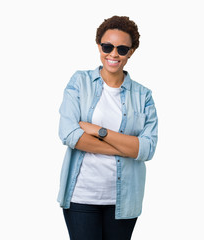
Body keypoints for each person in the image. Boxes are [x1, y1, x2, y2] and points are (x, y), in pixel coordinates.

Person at [57, 15, 158, 240]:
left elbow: (147, 149)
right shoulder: (79, 82)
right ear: (99, 46)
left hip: (124, 201)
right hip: (81, 197)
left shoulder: (144, 96)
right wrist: (128, 148)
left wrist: (99, 131)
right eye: (107, 46)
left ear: (131, 52)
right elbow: (70, 134)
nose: (114, 54)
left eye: (122, 49)